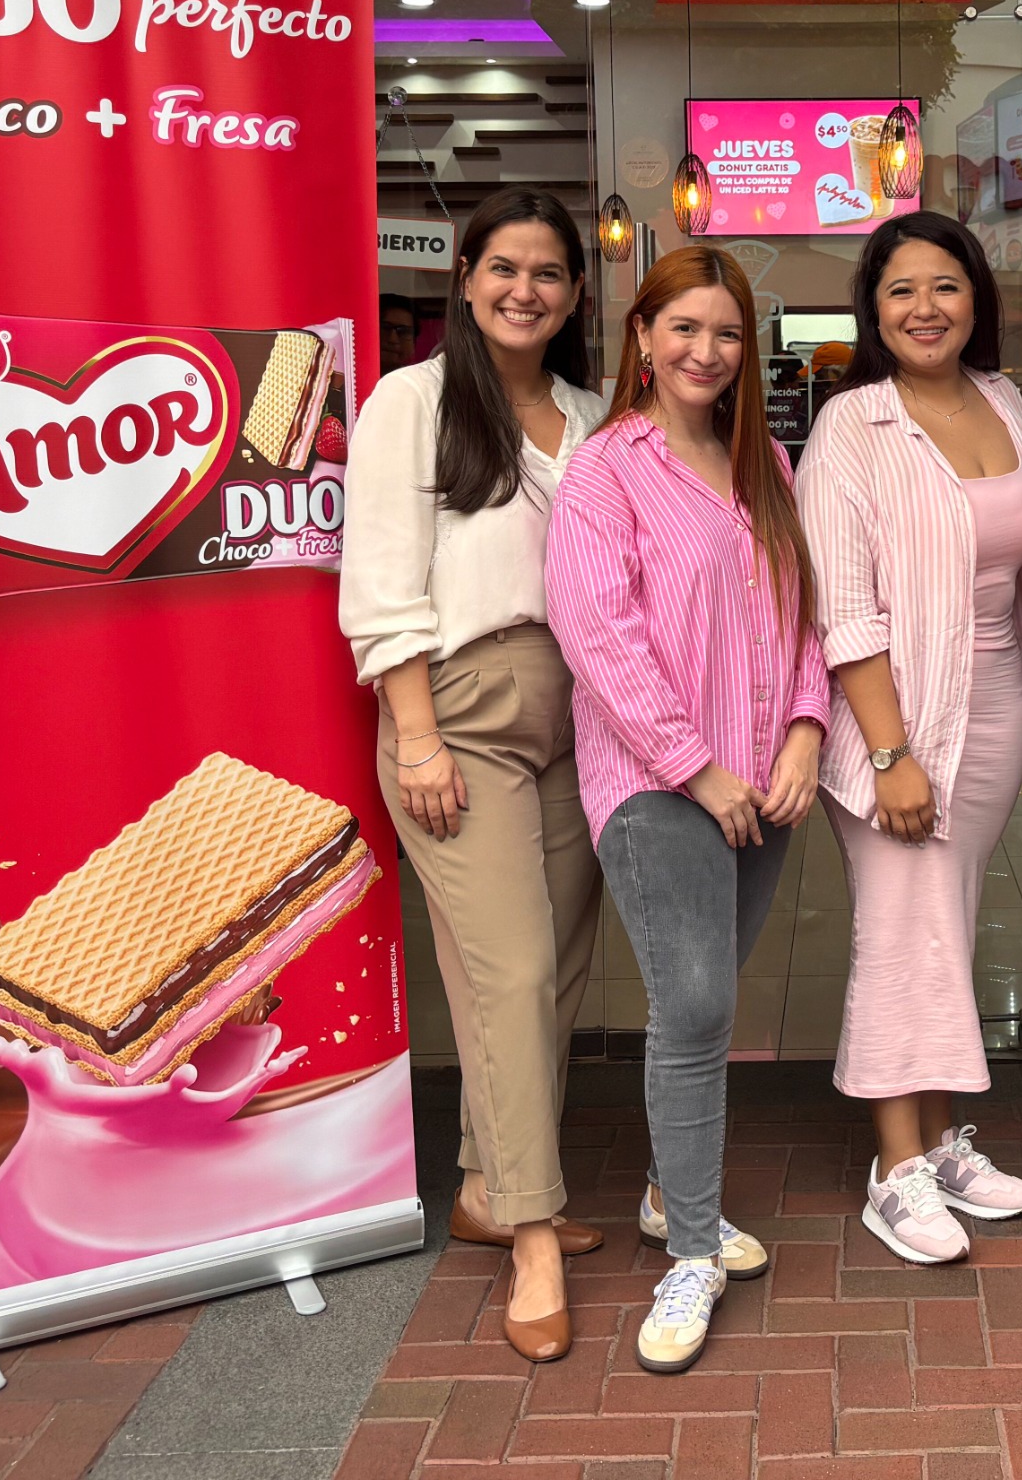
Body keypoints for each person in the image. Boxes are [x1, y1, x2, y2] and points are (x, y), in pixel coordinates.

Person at [547, 245, 828, 1375]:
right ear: (641, 338)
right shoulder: (605, 469)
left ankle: (674, 1196)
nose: (705, 352)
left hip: (765, 781)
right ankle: (694, 1251)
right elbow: (593, 629)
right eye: (684, 330)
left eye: (725, 333)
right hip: (657, 783)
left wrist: (807, 727)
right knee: (697, 1006)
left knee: (708, 999)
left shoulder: (764, 458)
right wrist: (694, 764)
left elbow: (805, 606)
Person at [338, 190, 606, 1364]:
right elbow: (379, 580)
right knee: (509, 974)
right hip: (461, 707)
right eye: (504, 268)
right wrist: (414, 737)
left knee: (556, 978)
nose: (525, 290)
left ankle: (488, 1187)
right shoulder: (414, 401)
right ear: (464, 276)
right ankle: (532, 1236)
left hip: (584, 713)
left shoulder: (597, 415)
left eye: (548, 273)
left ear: (575, 294)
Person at [796, 213, 1022, 1265]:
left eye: (944, 287)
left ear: (975, 298)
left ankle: (941, 1140)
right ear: (873, 309)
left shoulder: (1001, 399)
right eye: (900, 291)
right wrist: (893, 755)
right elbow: (842, 610)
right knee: (901, 928)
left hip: (991, 698)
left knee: (946, 918)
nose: (924, 309)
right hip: (894, 717)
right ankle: (892, 1168)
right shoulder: (850, 426)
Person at [380, 293, 419, 372]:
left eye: (403, 331)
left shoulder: (419, 381)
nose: (393, 339)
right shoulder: (350, 377)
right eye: (385, 328)